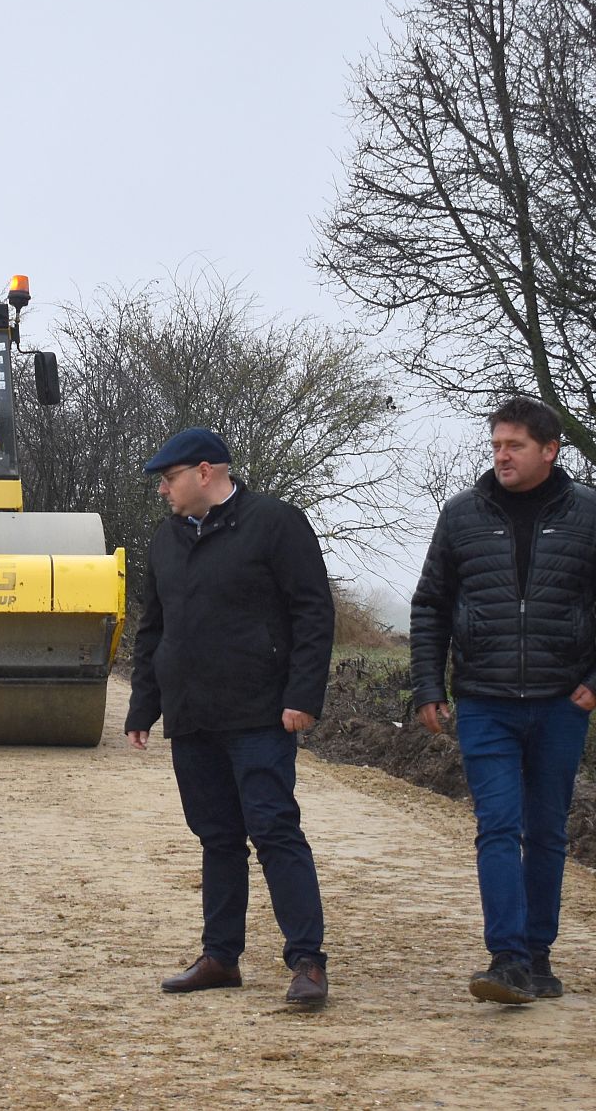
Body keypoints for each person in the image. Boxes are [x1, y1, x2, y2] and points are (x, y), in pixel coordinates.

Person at [410, 396, 596, 1004]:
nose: (502, 455)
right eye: (496, 445)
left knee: (545, 831)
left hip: (562, 702)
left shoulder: (591, 515)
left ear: (549, 450)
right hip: (484, 700)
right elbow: (430, 606)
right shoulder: (461, 516)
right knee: (497, 825)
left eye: (514, 445)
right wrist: (429, 685)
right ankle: (506, 959)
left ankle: (538, 956)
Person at [124, 427, 336, 1008]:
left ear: (206, 472)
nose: (163, 491)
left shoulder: (275, 523)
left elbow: (313, 612)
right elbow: (154, 630)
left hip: (260, 713)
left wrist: (303, 695)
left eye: (168, 480)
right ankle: (221, 957)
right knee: (216, 836)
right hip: (192, 716)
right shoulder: (164, 541)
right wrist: (145, 705)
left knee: (273, 829)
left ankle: (308, 961)